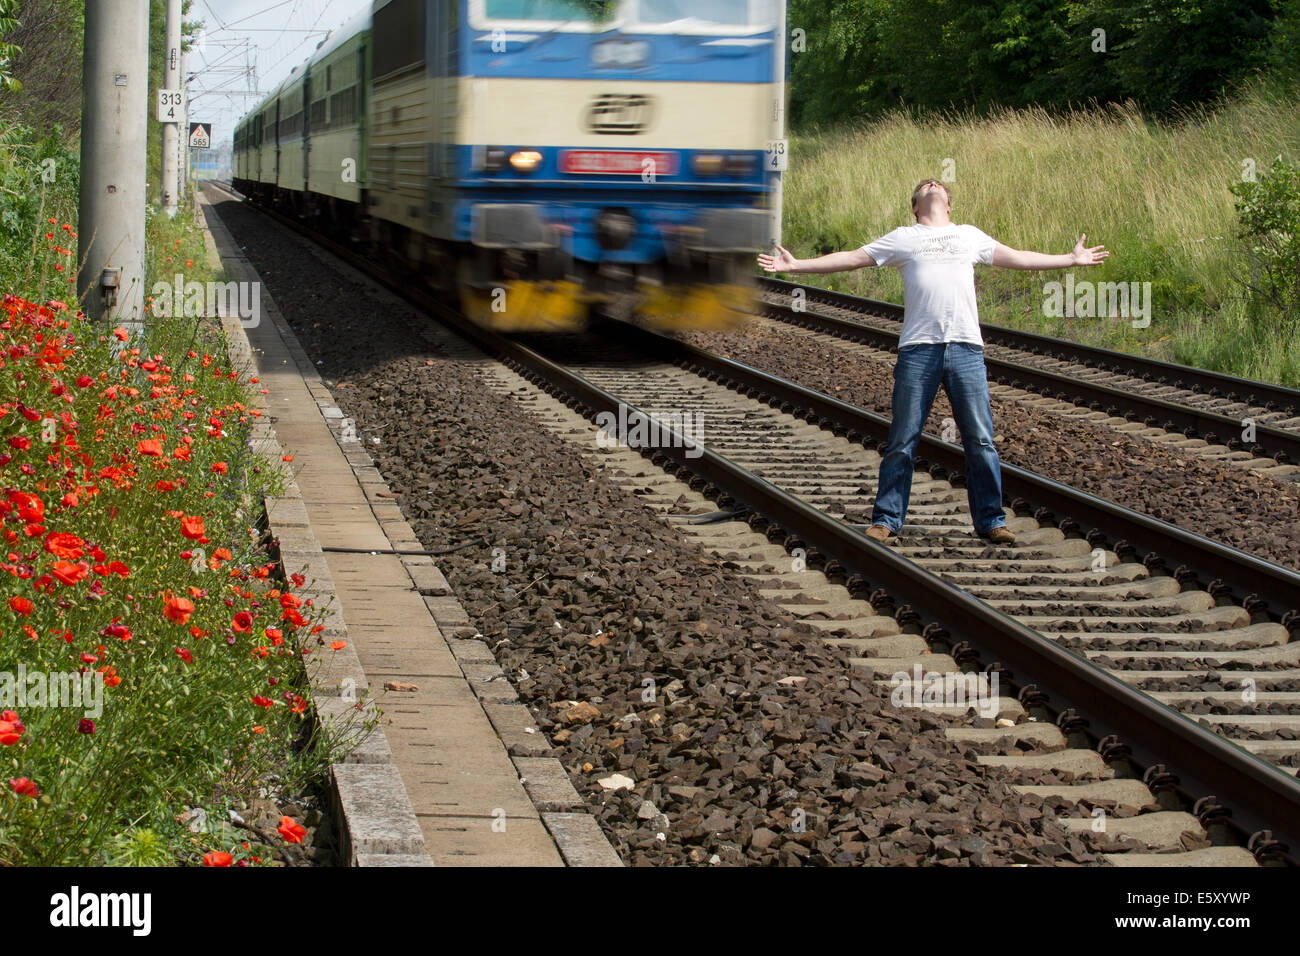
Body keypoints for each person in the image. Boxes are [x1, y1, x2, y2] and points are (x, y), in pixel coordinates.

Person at [758, 179, 1109, 545]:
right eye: (925, 186)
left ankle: (991, 520)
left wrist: (1070, 259)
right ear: (915, 207)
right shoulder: (903, 238)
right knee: (903, 439)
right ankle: (887, 519)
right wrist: (796, 266)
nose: (932, 183)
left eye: (937, 184)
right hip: (919, 350)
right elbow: (852, 258)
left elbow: (1017, 258)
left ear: (948, 205)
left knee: (981, 440)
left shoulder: (969, 235)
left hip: (966, 348)